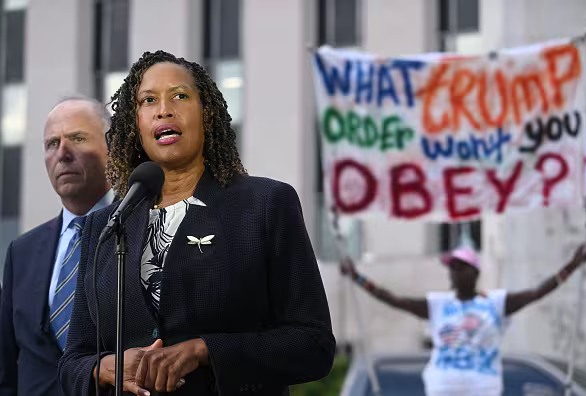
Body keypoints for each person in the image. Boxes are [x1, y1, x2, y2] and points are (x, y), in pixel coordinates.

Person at [58, 50, 335, 396]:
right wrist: (103, 368)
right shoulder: (105, 225)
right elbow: (72, 363)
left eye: (180, 96)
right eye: (148, 101)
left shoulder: (265, 205)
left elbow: (314, 345)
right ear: (135, 124)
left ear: (207, 113)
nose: (164, 109)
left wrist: (204, 351)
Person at [340, 243, 586, 396]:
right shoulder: (439, 305)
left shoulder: (495, 303)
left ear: (475, 272)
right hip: (443, 389)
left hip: (483, 389)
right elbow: (394, 299)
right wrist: (357, 277)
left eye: (461, 266)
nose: (455, 271)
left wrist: (573, 265)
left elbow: (537, 292)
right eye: (452, 267)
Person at [0, 96, 115, 395]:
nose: (62, 153)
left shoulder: (142, 231)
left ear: (111, 149)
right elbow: (7, 367)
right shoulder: (21, 253)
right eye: (52, 143)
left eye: (77, 138)